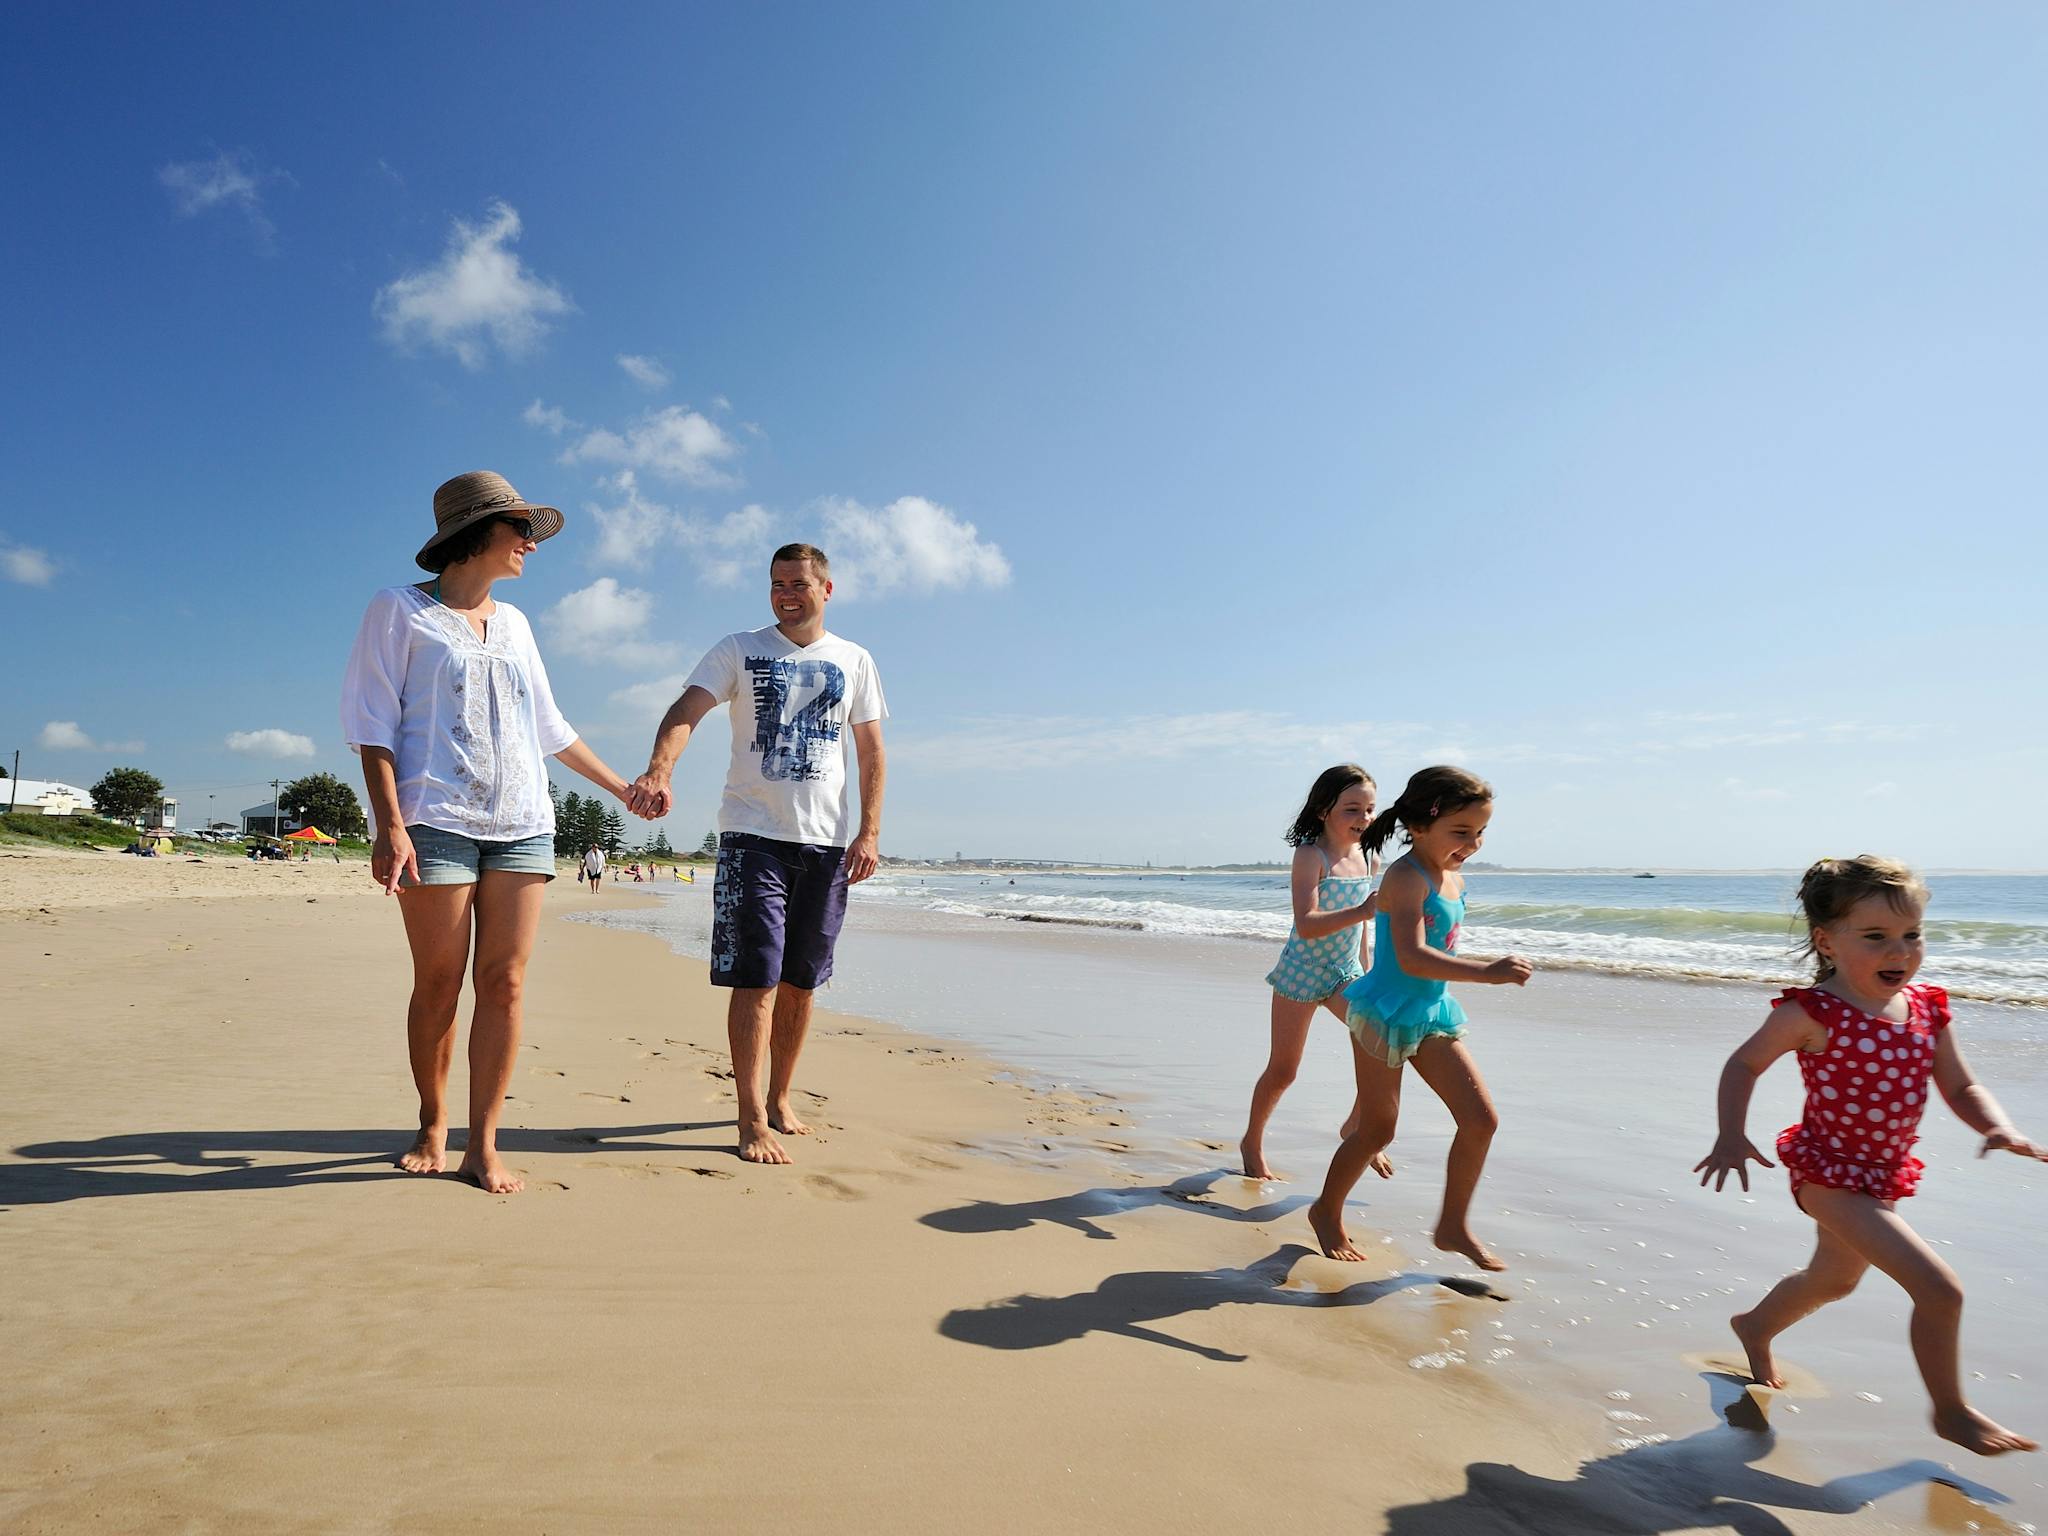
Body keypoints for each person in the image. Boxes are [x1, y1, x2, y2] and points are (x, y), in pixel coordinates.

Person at [342, 471, 648, 1195]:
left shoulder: (516, 624)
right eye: (521, 532)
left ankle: (483, 1143)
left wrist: (622, 788)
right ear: (475, 534)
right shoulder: (398, 610)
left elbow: (549, 727)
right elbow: (372, 727)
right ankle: (430, 1123)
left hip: (522, 824)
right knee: (441, 983)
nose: (530, 548)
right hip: (434, 821)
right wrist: (390, 827)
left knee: (505, 982)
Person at [1695, 855, 2044, 1456]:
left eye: (1912, 936)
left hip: (1881, 1176)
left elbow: (1960, 1086)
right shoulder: (1812, 1012)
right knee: (1941, 1290)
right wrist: (1731, 1133)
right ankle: (1951, 1411)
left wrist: (1998, 1127)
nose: (1900, 952)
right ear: (1826, 941)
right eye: (1877, 937)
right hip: (1827, 1174)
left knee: (1832, 1281)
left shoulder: (1929, 1007)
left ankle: (1754, 1326)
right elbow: (1743, 1063)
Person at [628, 542, 887, 1165]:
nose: (785, 594)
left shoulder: (854, 660)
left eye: (797, 583)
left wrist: (870, 832)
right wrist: (661, 768)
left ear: (828, 588)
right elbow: (686, 709)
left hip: (824, 847)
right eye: (776, 584)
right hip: (752, 840)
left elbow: (872, 751)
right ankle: (749, 1119)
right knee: (757, 980)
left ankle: (779, 1100)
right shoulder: (740, 649)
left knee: (801, 983)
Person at [1305, 766, 1533, 1268]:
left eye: (1479, 833)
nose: (1472, 843)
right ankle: (1326, 1210)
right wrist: (1486, 972)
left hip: (1431, 1013)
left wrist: (1478, 972)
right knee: (1377, 1130)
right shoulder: (1404, 877)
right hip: (1383, 1012)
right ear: (1420, 824)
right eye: (1461, 832)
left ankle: (1453, 1225)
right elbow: (1410, 956)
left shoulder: (1453, 876)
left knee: (1481, 1120)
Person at [1239, 765, 1391, 1182]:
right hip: (1301, 972)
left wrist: (1370, 972)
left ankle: (1356, 1126)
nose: (1363, 818)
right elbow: (1307, 922)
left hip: (1345, 971)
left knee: (1385, 1036)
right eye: (1352, 809)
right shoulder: (1311, 855)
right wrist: (1362, 910)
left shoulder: (1369, 856)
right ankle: (1252, 1140)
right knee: (1284, 1070)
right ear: (1324, 810)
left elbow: (1363, 927)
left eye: (1370, 810)